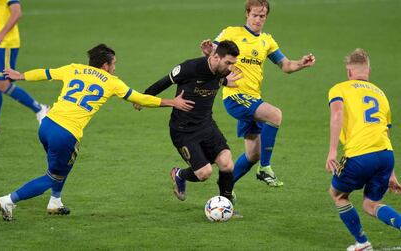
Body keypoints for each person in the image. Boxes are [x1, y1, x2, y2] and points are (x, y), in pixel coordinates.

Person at [0, 44, 194, 221]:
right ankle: (9, 200)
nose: (115, 67)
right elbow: (140, 99)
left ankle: (55, 202)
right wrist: (172, 102)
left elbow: (46, 73)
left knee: (65, 162)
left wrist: (21, 75)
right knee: (52, 176)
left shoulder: (74, 69)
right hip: (65, 134)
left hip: (46, 125)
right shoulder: (111, 81)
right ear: (105, 65)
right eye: (114, 63)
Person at [201, 0, 315, 187]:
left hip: (253, 99)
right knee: (274, 115)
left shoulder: (267, 41)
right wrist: (207, 52)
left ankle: (225, 187)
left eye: (262, 16)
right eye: (254, 15)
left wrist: (301, 63)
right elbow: (213, 57)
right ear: (247, 14)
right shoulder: (231, 32)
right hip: (235, 96)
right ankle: (265, 169)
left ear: (266, 17)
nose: (258, 19)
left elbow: (286, 66)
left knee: (253, 154)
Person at [138, 40, 241, 204]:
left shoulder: (222, 69)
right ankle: (179, 174)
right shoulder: (190, 68)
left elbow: (218, 78)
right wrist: (143, 98)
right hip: (183, 130)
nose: (230, 68)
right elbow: (164, 81)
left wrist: (228, 81)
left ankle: (226, 204)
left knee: (227, 162)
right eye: (228, 63)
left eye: (232, 64)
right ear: (215, 57)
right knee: (204, 173)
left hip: (206, 125)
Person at [326, 48, 401, 251]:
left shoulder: (340, 88)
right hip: (386, 155)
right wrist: (391, 174)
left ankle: (362, 243)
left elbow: (337, 114)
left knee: (338, 195)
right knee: (371, 204)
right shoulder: (381, 94)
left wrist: (332, 151)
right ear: (368, 70)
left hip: (359, 155)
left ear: (349, 71)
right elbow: (385, 131)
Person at [0, 0, 49, 135]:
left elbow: (17, 13)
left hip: (5, 44)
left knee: (3, 85)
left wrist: (1, 34)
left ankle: (40, 109)